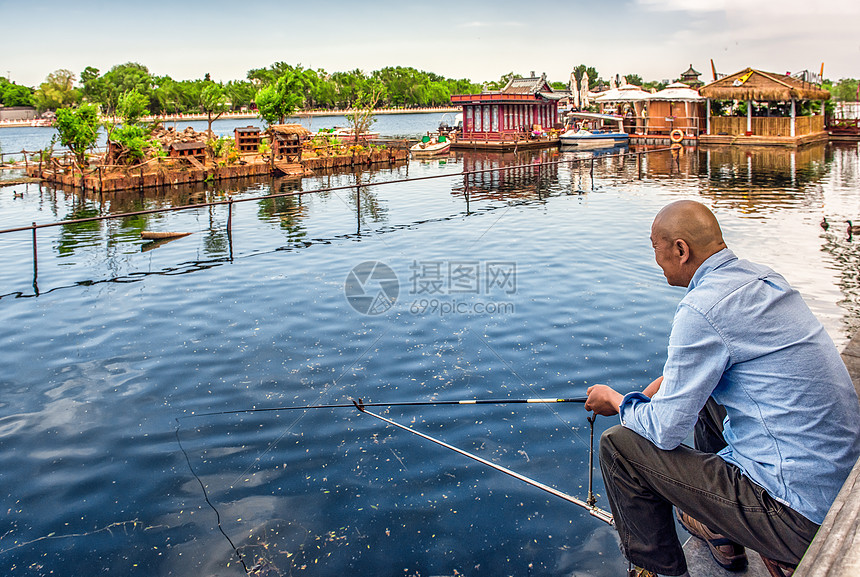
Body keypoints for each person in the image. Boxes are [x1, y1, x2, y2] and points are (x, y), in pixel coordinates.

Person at [585, 200, 860, 577]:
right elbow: (715, 364)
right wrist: (650, 395)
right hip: (837, 484)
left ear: (681, 250)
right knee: (705, 393)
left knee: (620, 446)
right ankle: (720, 529)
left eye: (655, 248)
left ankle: (658, 572)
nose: (656, 260)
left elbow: (665, 432)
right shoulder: (763, 279)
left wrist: (617, 401)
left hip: (802, 517)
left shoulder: (701, 309)